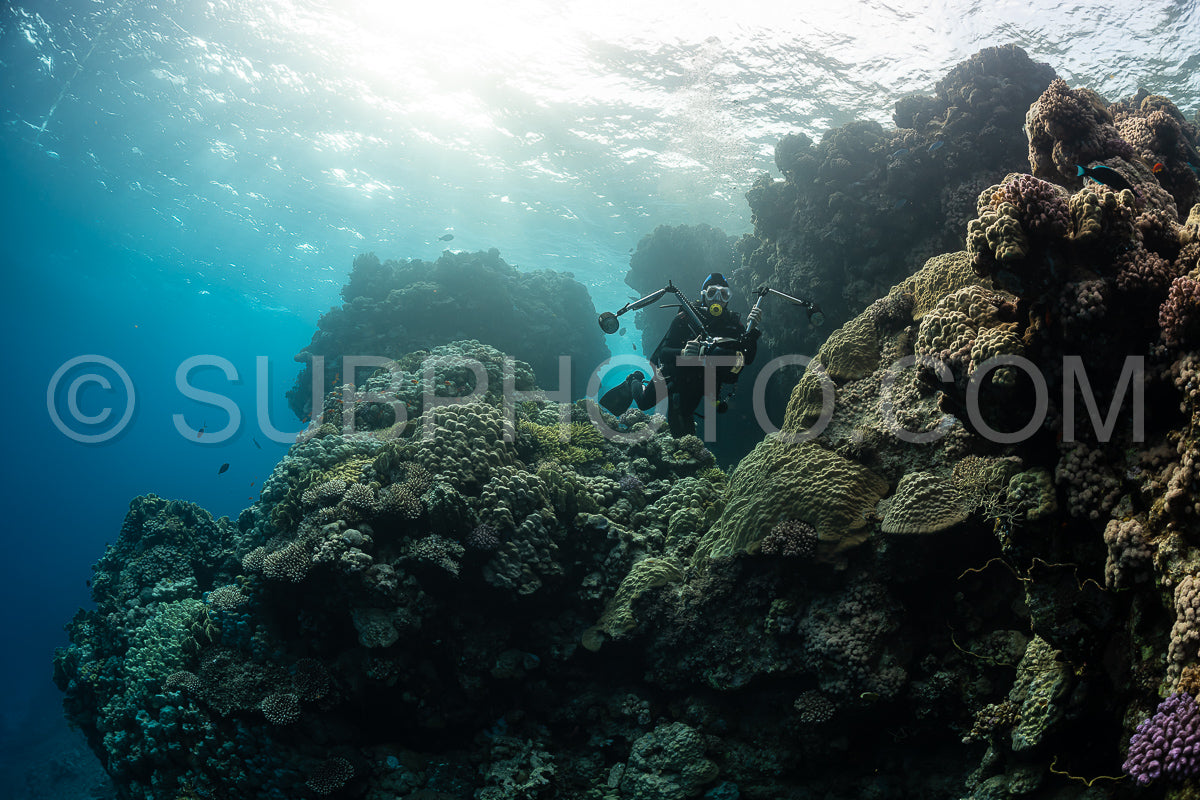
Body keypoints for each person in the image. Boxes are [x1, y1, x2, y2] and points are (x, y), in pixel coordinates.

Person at [606, 273, 762, 437]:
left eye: (723, 294)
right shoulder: (686, 318)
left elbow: (747, 358)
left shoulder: (733, 325)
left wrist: (752, 333)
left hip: (700, 383)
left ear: (728, 298)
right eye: (712, 293)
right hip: (673, 375)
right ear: (703, 295)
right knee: (644, 402)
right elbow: (664, 353)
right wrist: (683, 353)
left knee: (683, 433)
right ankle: (634, 380)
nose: (717, 299)